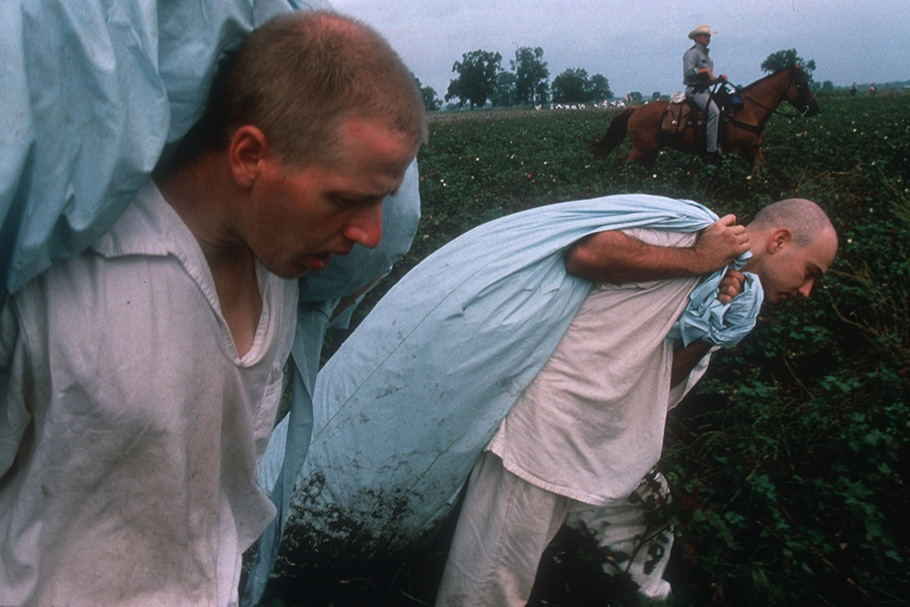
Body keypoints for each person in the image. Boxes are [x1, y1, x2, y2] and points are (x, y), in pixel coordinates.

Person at [0, 10, 425, 607]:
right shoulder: (59, 285)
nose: (371, 234)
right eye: (346, 198)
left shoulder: (279, 267)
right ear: (249, 155)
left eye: (382, 199)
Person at [435, 198, 838, 606]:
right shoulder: (696, 230)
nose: (807, 291)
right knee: (489, 588)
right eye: (811, 273)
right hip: (545, 431)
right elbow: (588, 253)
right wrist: (698, 258)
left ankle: (634, 597)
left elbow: (662, 382)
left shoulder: (737, 292)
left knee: (648, 521)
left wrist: (709, 333)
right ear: (780, 240)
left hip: (601, 441)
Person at [683, 24, 727, 159]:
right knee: (714, 112)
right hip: (695, 91)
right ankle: (711, 150)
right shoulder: (692, 53)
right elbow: (688, 72)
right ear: (697, 37)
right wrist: (704, 71)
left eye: (708, 36)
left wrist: (719, 80)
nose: (708, 38)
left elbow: (708, 79)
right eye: (705, 36)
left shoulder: (708, 58)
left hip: (705, 90)